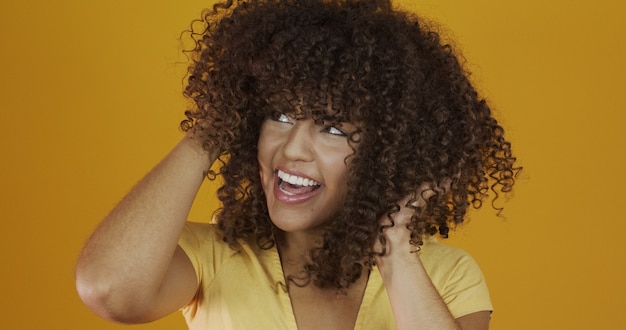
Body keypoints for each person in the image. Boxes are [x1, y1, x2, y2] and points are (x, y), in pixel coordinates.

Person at [75, 0, 520, 329]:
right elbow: (109, 290)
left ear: (389, 154)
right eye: (280, 116)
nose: (291, 151)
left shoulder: (447, 275)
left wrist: (396, 252)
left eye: (333, 129)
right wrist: (212, 129)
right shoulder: (216, 256)